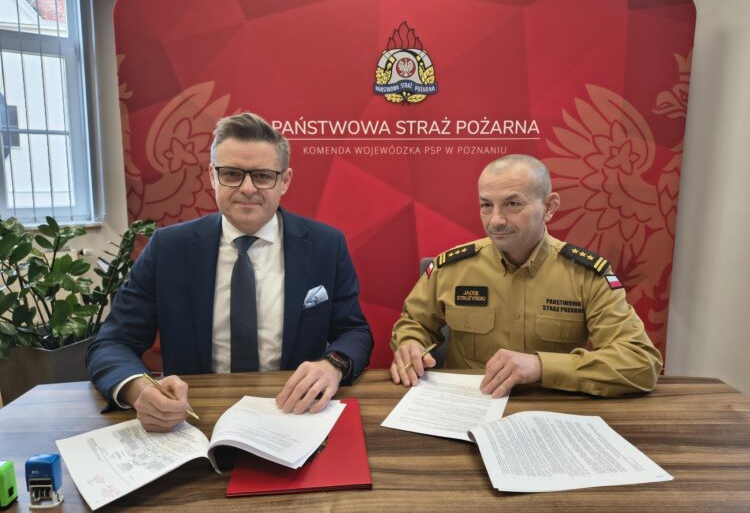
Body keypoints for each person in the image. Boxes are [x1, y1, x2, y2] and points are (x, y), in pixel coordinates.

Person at [88, 112, 372, 431]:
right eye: (232, 174)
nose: (247, 188)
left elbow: (354, 331)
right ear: (212, 176)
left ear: (285, 180)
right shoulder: (168, 248)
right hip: (191, 419)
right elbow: (112, 342)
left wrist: (332, 365)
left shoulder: (326, 246)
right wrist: (138, 389)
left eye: (262, 176)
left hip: (294, 413)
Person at [390, 154, 662, 398]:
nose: (495, 220)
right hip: (470, 405)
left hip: (552, 408)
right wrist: (411, 343)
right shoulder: (452, 268)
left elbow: (640, 362)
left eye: (512, 204)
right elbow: (414, 323)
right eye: (486, 205)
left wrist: (540, 366)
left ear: (549, 207)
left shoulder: (586, 275)